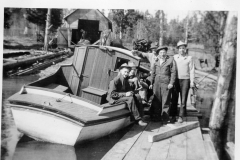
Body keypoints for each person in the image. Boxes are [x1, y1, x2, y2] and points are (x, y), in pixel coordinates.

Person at [149, 46, 177, 122]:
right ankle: (156, 117)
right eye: (161, 52)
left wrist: (171, 83)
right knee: (156, 100)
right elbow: (153, 72)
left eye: (164, 52)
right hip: (156, 82)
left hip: (166, 82)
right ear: (158, 53)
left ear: (166, 53)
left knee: (166, 100)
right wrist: (151, 83)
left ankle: (165, 118)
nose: (162, 54)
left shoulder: (171, 60)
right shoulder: (156, 60)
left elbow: (173, 73)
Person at [171, 41, 195, 123]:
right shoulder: (174, 57)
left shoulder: (189, 58)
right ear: (178, 49)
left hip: (185, 80)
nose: (182, 50)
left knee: (183, 99)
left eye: (183, 48)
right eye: (180, 48)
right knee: (174, 98)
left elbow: (192, 70)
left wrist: (192, 82)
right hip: (176, 80)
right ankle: (173, 115)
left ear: (185, 49)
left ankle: (181, 116)